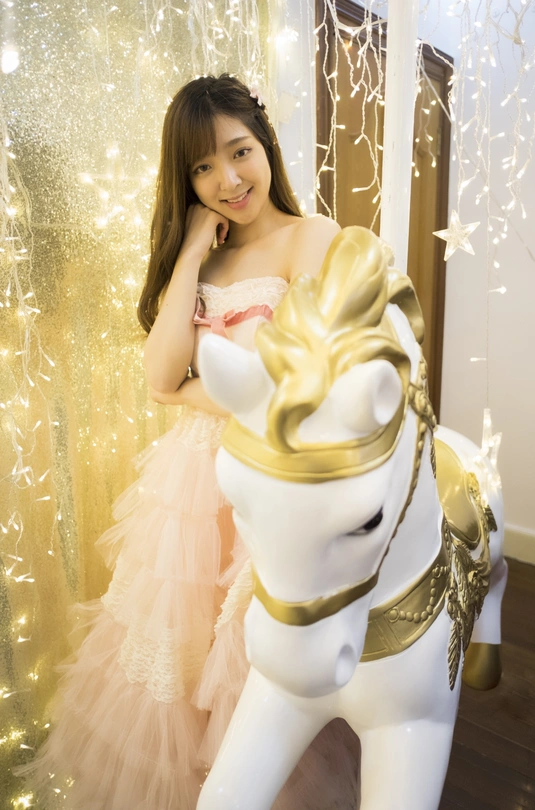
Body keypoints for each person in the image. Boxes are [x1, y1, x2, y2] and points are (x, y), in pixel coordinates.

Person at [18, 74, 358, 809]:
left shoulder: (313, 239)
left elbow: (302, 389)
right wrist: (193, 253)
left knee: (257, 668)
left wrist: (185, 394)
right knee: (176, 663)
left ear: (265, 144)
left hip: (275, 476)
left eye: (239, 152)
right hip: (192, 491)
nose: (227, 179)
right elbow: (159, 375)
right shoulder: (205, 256)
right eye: (203, 166)